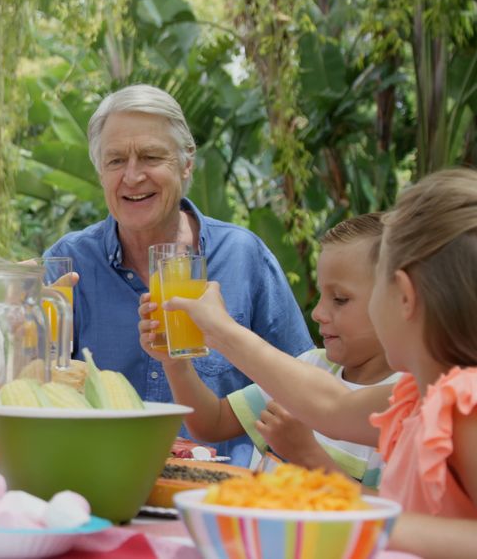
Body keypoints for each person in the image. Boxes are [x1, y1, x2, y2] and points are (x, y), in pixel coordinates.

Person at [159, 169, 477, 558]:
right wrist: (219, 330)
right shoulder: (416, 397)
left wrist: (361, 521)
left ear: (405, 297)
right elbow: (331, 405)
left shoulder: (466, 408)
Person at [43, 84, 312, 461]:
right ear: (100, 172)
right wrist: (18, 326)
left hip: (219, 493)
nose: (133, 176)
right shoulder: (68, 263)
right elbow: (31, 393)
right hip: (100, 482)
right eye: (116, 161)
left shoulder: (242, 257)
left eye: (151, 156)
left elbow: (304, 385)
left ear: (187, 164)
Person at [140, 213, 397, 484]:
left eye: (340, 299)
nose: (318, 313)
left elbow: (388, 515)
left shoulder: (409, 400)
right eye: (321, 295)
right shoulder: (309, 366)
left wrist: (307, 454)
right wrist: (174, 362)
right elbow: (210, 422)